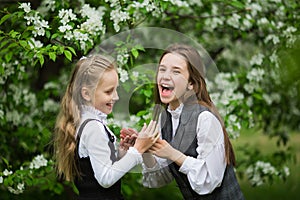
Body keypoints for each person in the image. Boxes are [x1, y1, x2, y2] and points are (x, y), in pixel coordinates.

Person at [141, 44, 245, 199]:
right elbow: (160, 179)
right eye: (162, 69)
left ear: (192, 83)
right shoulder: (165, 119)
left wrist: (173, 154)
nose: (165, 76)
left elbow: (209, 181)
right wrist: (146, 151)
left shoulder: (205, 119)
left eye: (176, 71)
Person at [53, 54, 159, 200]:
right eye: (109, 91)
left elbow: (101, 167)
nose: (116, 97)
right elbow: (105, 179)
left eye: (116, 90)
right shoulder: (93, 127)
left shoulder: (86, 121)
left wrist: (122, 153)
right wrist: (138, 150)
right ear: (86, 94)